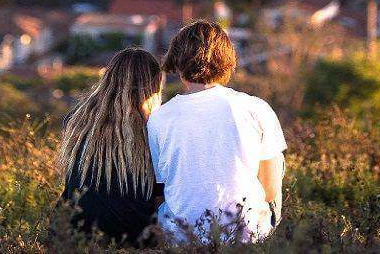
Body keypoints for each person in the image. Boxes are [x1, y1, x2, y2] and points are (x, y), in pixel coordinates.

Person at [147, 21, 286, 243]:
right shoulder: (256, 108)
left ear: (178, 65)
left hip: (182, 240)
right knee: (276, 163)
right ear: (227, 63)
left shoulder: (158, 118)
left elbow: (161, 189)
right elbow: (269, 190)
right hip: (245, 236)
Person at [58, 48, 164, 245]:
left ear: (109, 77)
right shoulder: (154, 128)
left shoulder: (79, 120)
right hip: (134, 238)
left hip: (76, 234)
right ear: (155, 85)